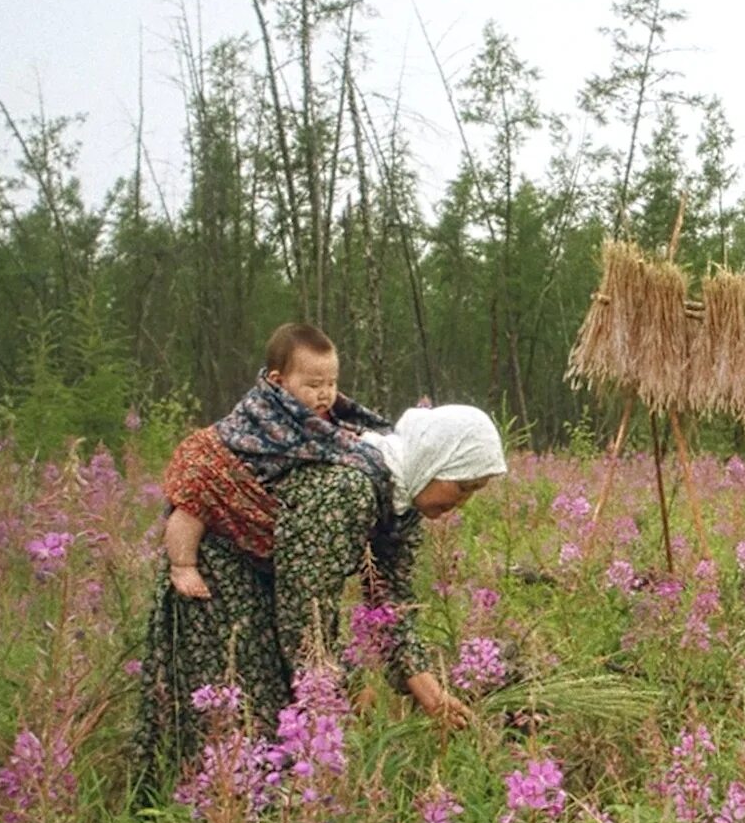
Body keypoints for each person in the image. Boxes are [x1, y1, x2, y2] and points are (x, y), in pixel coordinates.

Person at [132, 401, 508, 788]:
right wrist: (339, 685)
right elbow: (307, 605)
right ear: (435, 459)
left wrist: (429, 691)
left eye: (473, 492)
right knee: (238, 726)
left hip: (269, 584)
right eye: (462, 486)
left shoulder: (401, 501)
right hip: (220, 579)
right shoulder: (351, 488)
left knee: (267, 734)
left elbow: (389, 600)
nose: (463, 502)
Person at [163, 323, 389, 599]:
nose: (325, 393)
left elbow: (342, 435)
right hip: (216, 459)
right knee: (193, 503)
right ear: (279, 381)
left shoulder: (321, 411)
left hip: (264, 487)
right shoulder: (266, 409)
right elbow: (308, 443)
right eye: (314, 385)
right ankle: (182, 565)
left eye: (332, 383)